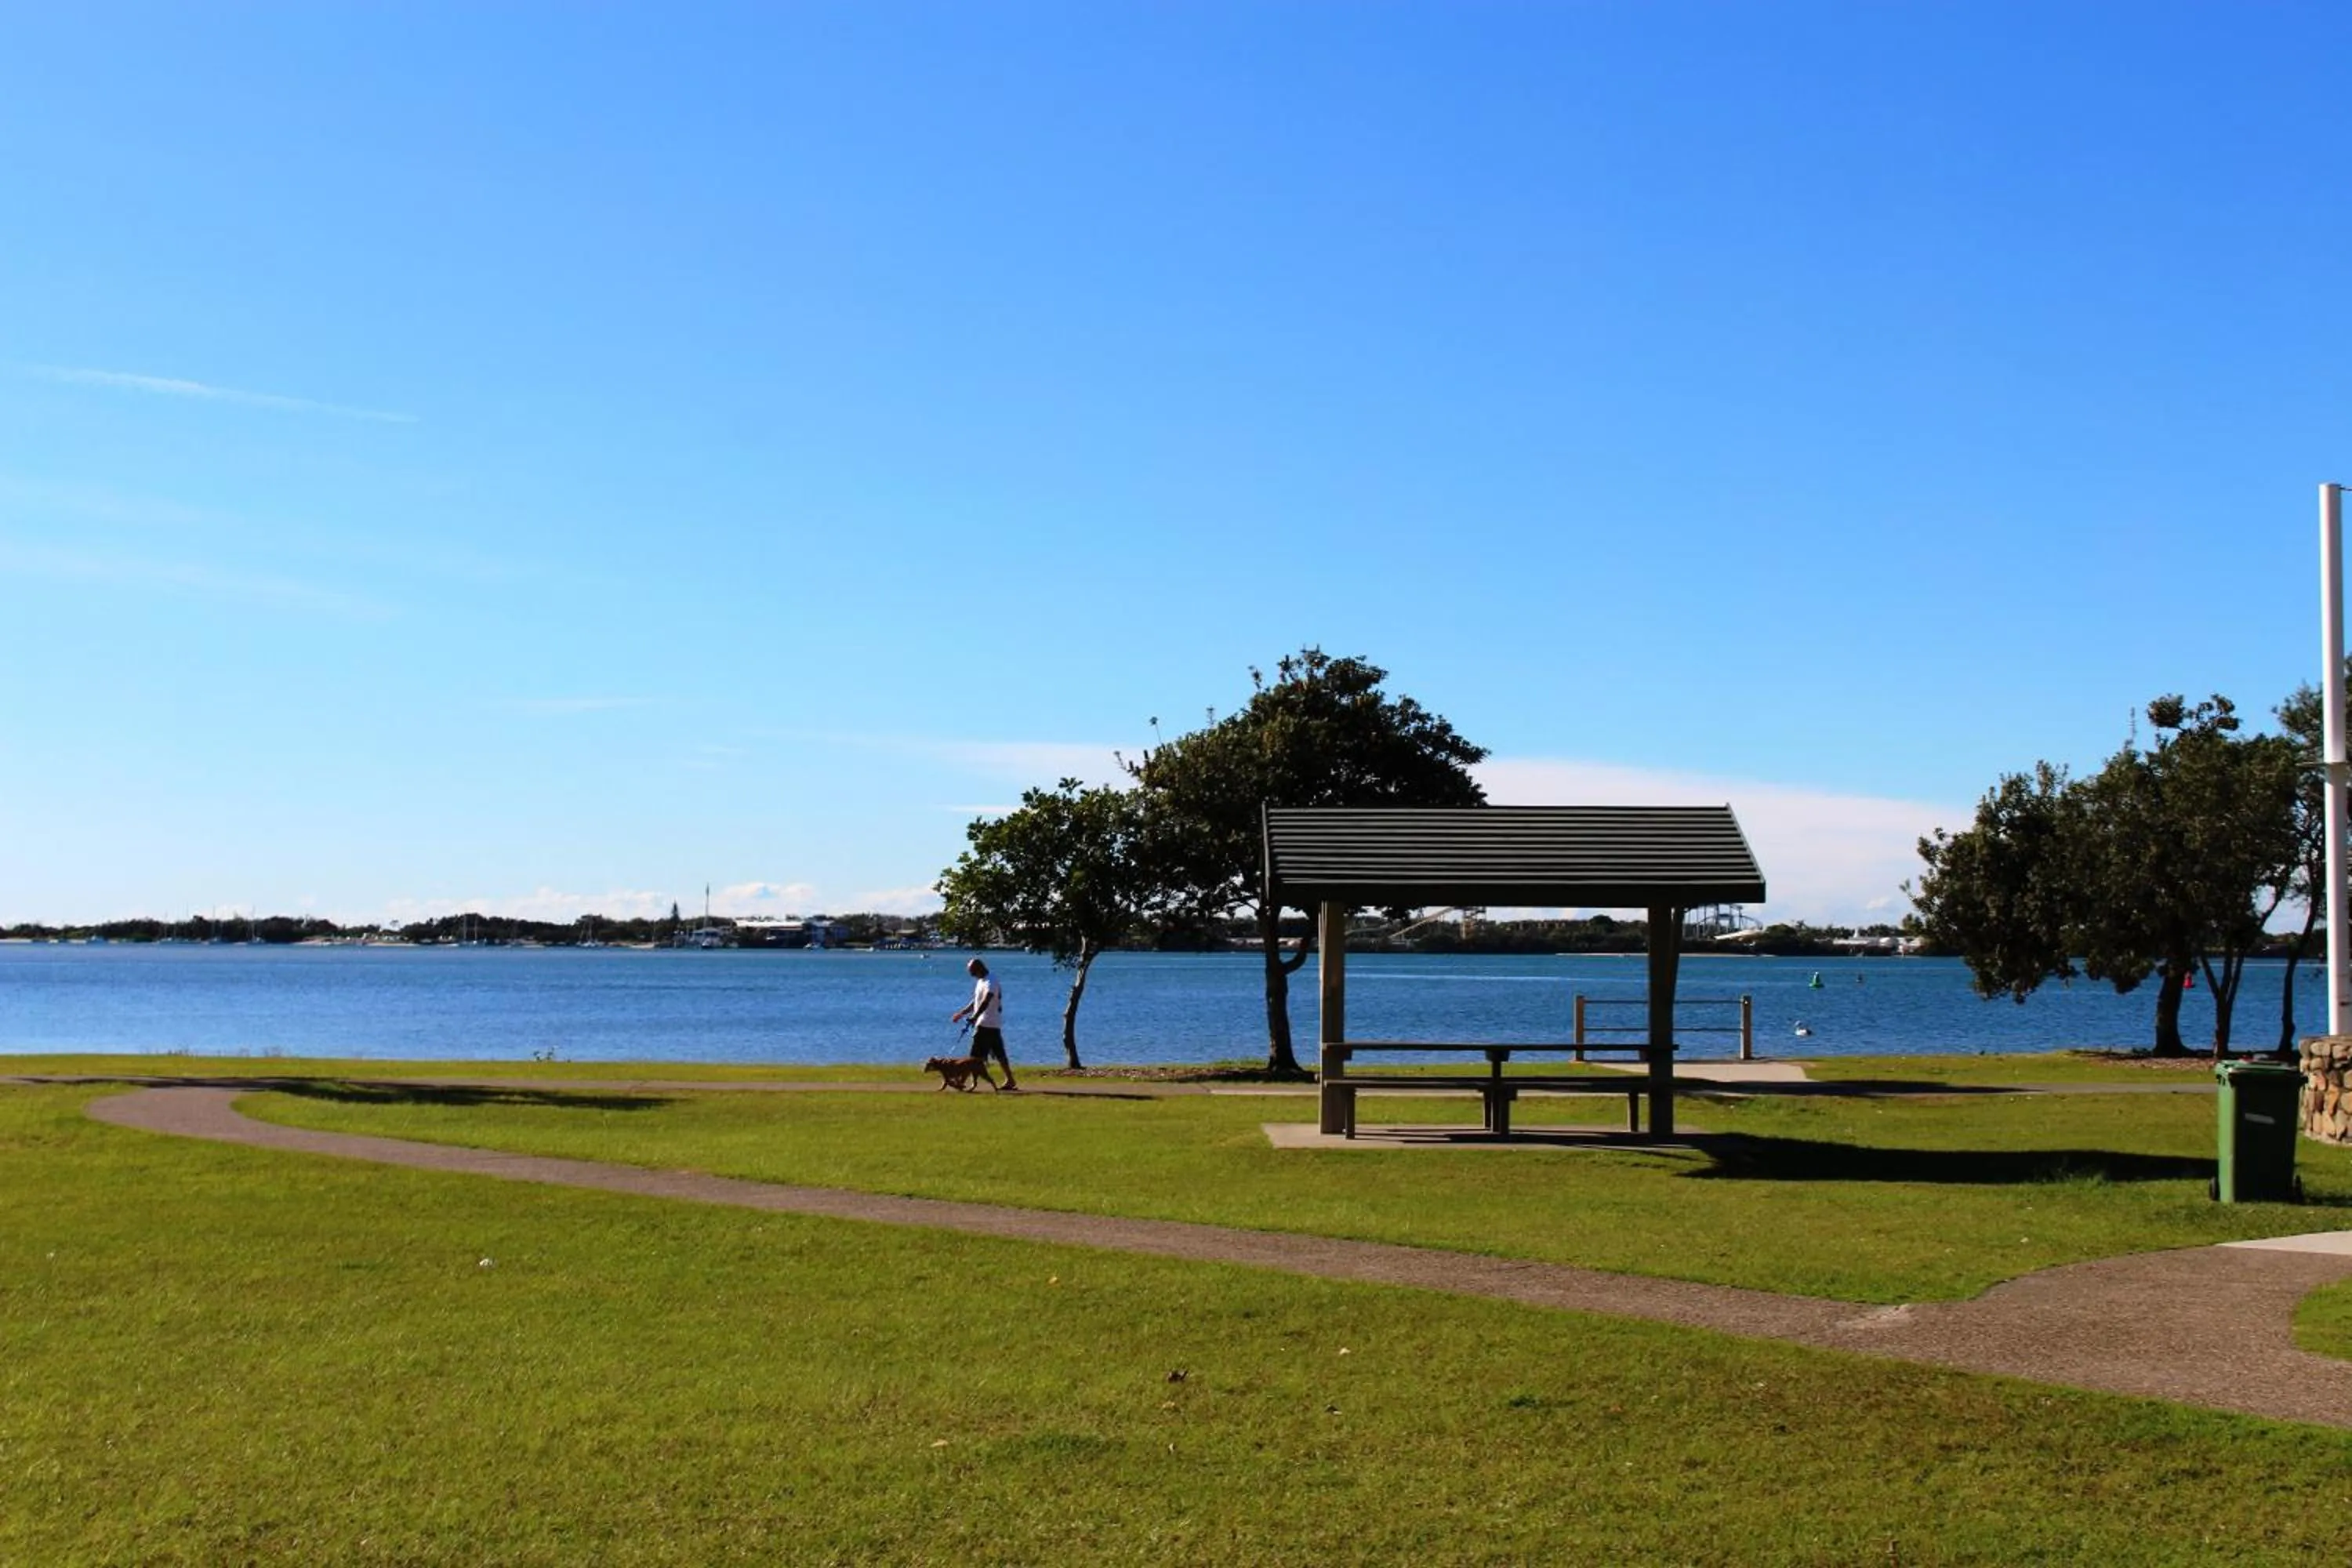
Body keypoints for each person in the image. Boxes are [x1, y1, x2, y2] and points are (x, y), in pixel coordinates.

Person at [950, 957, 1017, 1091]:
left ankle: (961, 1081)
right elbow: (976, 1001)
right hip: (991, 1023)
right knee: (999, 1053)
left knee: (974, 1056)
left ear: (979, 968)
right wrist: (962, 1013)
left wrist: (975, 1017)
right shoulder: (981, 981)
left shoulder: (991, 981)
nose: (972, 976)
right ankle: (1010, 1080)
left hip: (986, 1023)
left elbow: (987, 1000)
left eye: (973, 972)